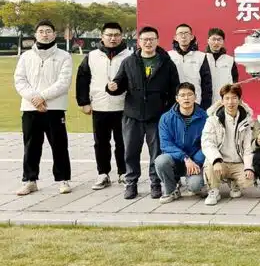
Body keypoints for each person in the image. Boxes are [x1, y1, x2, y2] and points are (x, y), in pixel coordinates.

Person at [107, 25, 180, 200]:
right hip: (132, 115)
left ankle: (155, 184)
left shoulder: (166, 63)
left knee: (157, 152)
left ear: (157, 41)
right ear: (139, 41)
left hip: (157, 116)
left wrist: (168, 112)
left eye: (151, 39)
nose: (148, 42)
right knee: (131, 151)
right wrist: (112, 87)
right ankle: (131, 183)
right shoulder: (130, 62)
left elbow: (175, 89)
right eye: (144, 39)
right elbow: (119, 83)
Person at [13, 20, 73, 196]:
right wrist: (34, 98)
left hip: (54, 108)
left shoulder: (64, 56)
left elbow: (63, 82)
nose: (45, 34)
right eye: (41, 31)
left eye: (48, 31)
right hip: (30, 108)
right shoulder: (26, 56)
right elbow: (20, 80)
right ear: (35, 34)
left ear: (54, 34)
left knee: (59, 145)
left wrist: (42, 97)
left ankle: (63, 180)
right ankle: (30, 180)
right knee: (31, 145)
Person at [76, 22, 132, 190]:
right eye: (109, 35)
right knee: (101, 142)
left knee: (123, 142)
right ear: (102, 36)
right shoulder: (92, 56)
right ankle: (103, 173)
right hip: (99, 106)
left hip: (123, 106)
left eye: (116, 35)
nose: (113, 38)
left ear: (121, 36)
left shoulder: (130, 55)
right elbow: (82, 80)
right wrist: (84, 102)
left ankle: (123, 173)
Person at [201, 83, 257, 206]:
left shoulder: (246, 121)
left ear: (240, 100)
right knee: (210, 164)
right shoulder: (212, 120)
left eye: (234, 98)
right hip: (220, 162)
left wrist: (248, 167)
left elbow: (248, 147)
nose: (230, 102)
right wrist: (216, 160)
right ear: (221, 101)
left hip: (237, 162)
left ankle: (234, 182)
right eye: (227, 98)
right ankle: (214, 191)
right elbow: (207, 143)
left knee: (248, 181)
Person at [154, 83, 208, 203]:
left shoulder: (204, 118)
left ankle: (197, 185)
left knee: (195, 186)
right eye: (182, 95)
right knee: (160, 161)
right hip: (175, 160)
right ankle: (171, 190)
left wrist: (196, 161)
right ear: (177, 98)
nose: (186, 98)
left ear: (195, 97)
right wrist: (185, 158)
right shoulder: (166, 118)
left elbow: (207, 143)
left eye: (190, 94)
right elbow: (166, 145)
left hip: (195, 162)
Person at [168, 23, 212, 107]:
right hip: (174, 103)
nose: (183, 36)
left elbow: (207, 84)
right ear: (175, 38)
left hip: (196, 102)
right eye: (180, 33)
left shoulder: (201, 56)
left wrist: (205, 106)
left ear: (191, 37)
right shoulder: (169, 56)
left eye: (186, 33)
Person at [204, 27, 239, 104]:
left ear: (223, 41)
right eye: (213, 39)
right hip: (205, 100)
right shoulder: (202, 58)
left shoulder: (230, 60)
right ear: (208, 41)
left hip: (225, 101)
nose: (216, 42)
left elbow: (235, 82)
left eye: (219, 39)